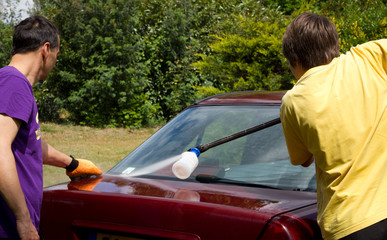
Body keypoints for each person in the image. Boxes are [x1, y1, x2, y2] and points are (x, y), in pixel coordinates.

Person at [280, 12, 387, 240]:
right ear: (334, 46)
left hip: (350, 225)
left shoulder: (293, 100)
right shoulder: (368, 57)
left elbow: (303, 159)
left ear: (295, 60)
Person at [0, 15, 103, 239]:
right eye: (57, 53)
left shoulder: (12, 83)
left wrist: (71, 163)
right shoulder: (13, 83)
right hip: (9, 229)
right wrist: (23, 220)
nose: (56, 60)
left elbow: (28, 143)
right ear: (46, 49)